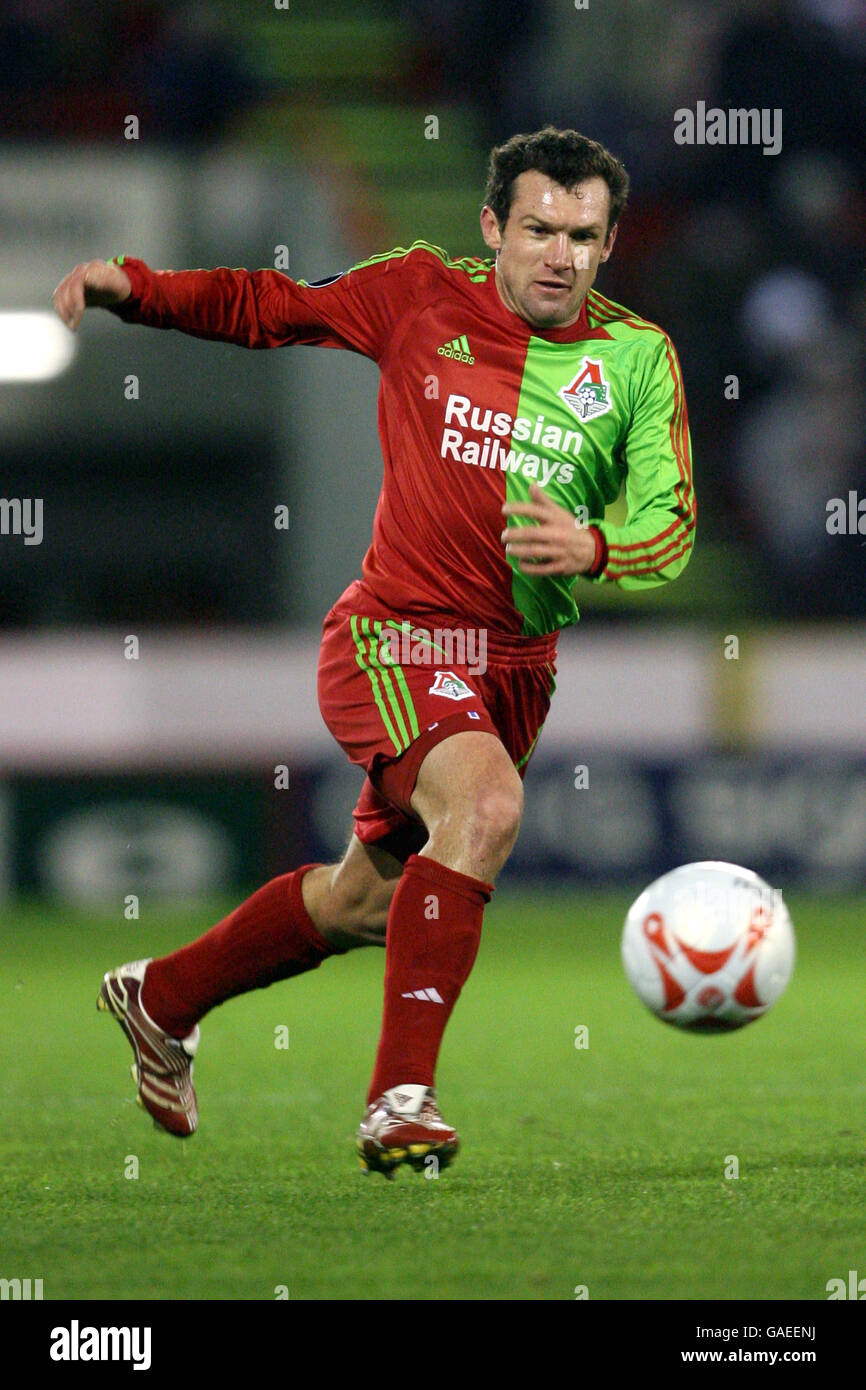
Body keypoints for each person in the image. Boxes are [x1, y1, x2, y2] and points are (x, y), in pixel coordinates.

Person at [53, 127, 695, 1178]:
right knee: (483, 809)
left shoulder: (635, 358)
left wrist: (594, 545)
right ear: (492, 227)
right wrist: (141, 287)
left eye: (581, 236)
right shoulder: (415, 293)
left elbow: (670, 526)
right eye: (536, 228)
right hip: (393, 633)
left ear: (609, 242)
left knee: (362, 903)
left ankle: (160, 996)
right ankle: (400, 1099)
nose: (557, 255)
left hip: (516, 666)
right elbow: (275, 308)